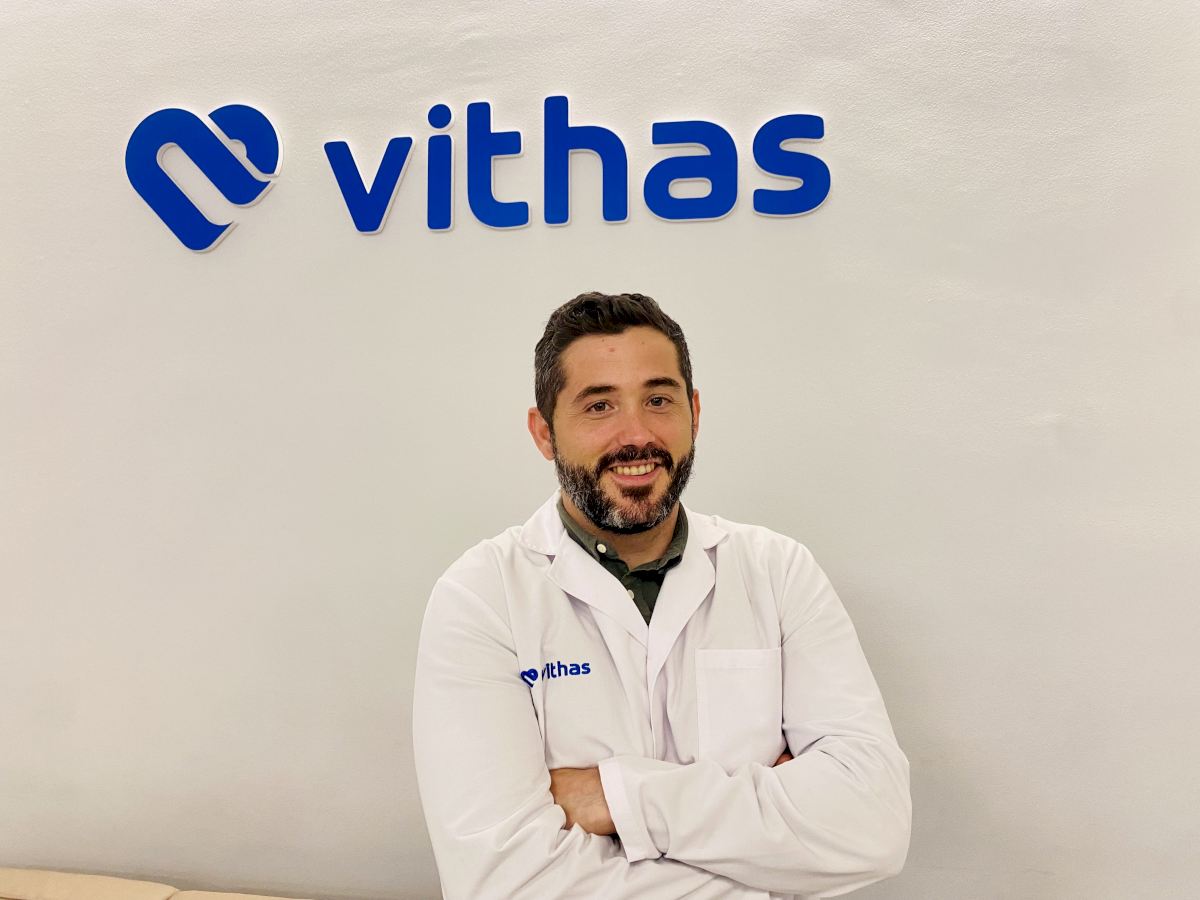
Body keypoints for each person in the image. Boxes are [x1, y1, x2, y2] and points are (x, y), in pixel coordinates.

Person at [412, 292, 911, 899]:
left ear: (694, 412)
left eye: (658, 399)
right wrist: (774, 845)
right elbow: (505, 884)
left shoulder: (778, 572)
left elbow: (873, 827)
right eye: (599, 405)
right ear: (544, 433)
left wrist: (617, 796)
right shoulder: (482, 597)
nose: (637, 435)